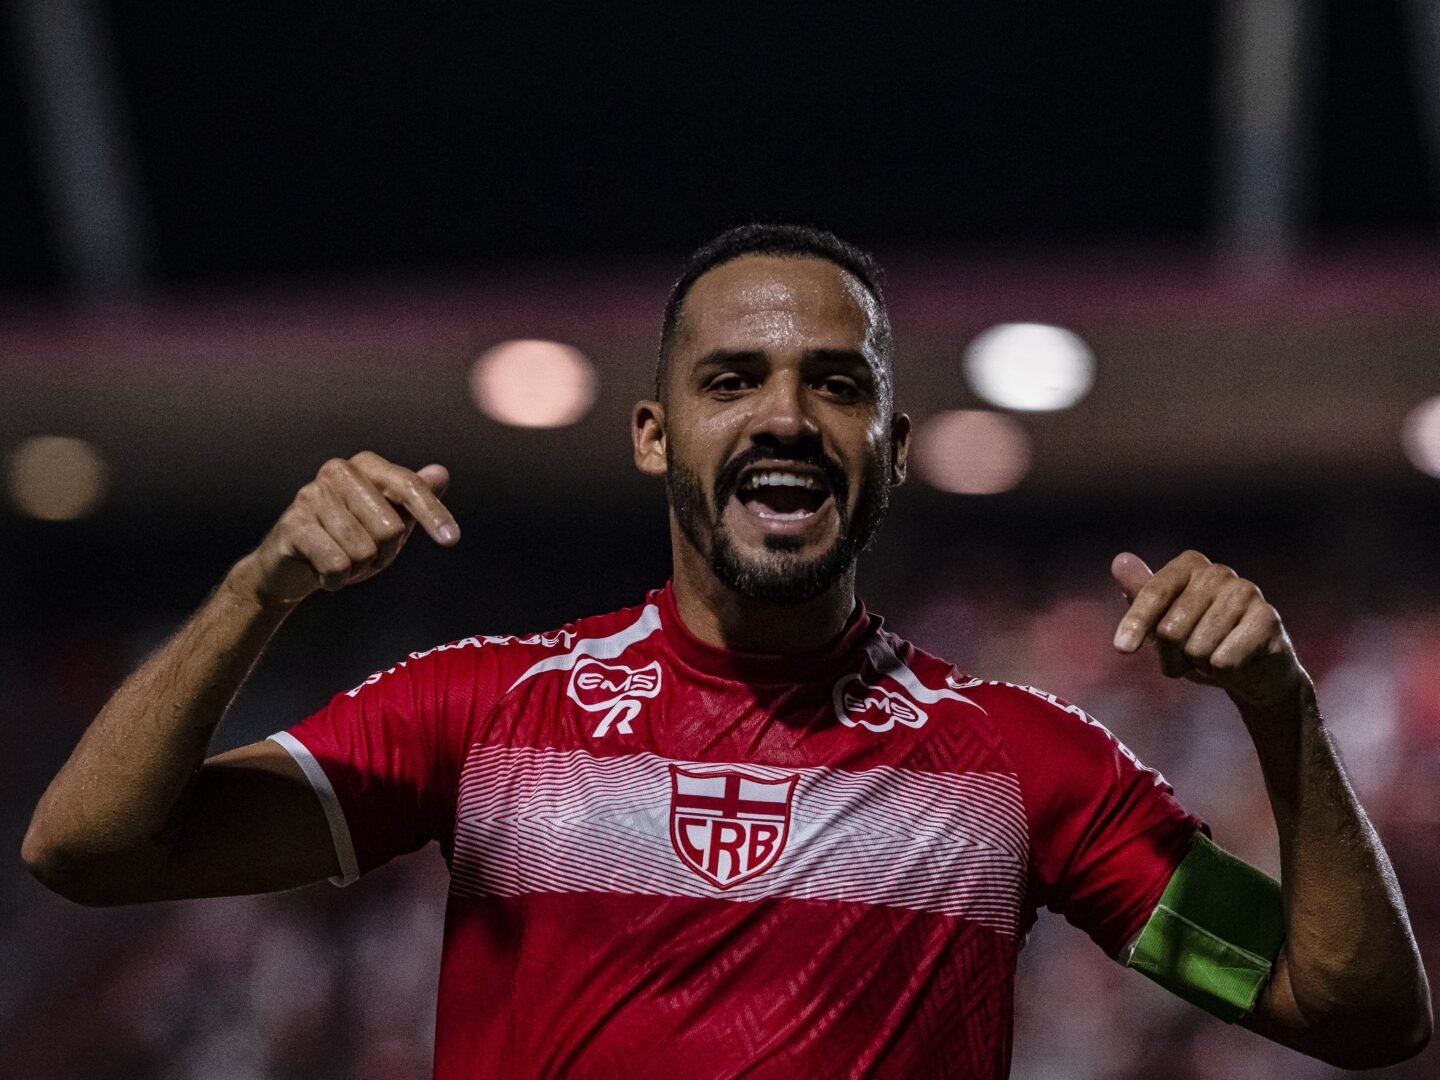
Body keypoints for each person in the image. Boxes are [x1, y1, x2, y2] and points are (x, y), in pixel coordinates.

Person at [23, 225, 1431, 1078]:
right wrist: (258, 589)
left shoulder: (1021, 762)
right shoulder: (486, 711)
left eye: (837, 383)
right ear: (655, 436)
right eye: (731, 380)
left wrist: (1279, 706)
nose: (785, 415)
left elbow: (1357, 1015)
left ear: (886, 445)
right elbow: (90, 850)